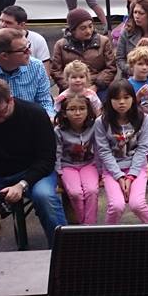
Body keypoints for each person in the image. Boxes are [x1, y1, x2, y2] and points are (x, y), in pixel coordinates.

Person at [0, 78, 66, 250]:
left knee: (46, 198)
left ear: (10, 100)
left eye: (1, 111)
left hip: (32, 172)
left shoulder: (35, 114)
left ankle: (65, 252)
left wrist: (22, 185)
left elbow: (46, 158)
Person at [94, 79, 148, 224]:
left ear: (133, 98)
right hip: (112, 169)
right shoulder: (101, 122)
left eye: (126, 97)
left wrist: (130, 176)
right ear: (109, 100)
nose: (121, 102)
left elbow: (143, 149)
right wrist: (119, 176)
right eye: (116, 98)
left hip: (136, 167)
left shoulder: (143, 119)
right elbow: (103, 151)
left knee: (138, 204)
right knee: (116, 206)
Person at [0, 28, 54, 116]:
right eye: (23, 50)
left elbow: (44, 100)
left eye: (28, 46)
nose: (29, 52)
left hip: (30, 122)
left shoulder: (37, 66)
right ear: (4, 56)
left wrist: (48, 118)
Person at [49, 8, 117, 94]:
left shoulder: (104, 41)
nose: (88, 31)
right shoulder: (60, 45)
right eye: (83, 28)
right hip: (70, 88)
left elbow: (111, 67)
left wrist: (96, 86)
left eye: (90, 26)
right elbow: (56, 71)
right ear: (73, 30)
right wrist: (71, 87)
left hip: (98, 87)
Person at [55, 93, 98, 225]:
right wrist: (58, 173)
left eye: (82, 108)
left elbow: (99, 148)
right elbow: (56, 152)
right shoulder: (59, 130)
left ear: (88, 111)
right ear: (64, 113)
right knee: (75, 193)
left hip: (89, 164)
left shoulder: (94, 126)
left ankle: (90, 226)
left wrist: (101, 170)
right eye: (72, 109)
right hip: (67, 166)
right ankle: (82, 224)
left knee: (91, 190)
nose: (77, 113)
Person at [0, 5, 52, 75]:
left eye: (8, 23)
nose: (3, 25)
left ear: (22, 25)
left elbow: (45, 72)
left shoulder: (38, 40)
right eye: (1, 21)